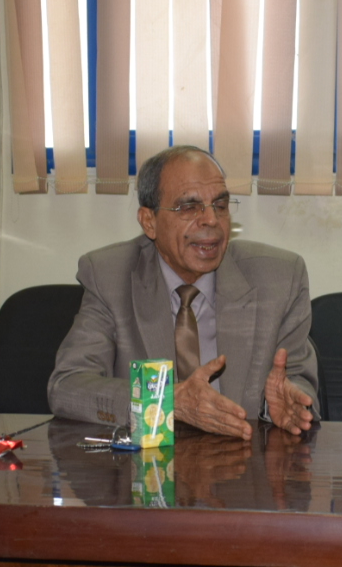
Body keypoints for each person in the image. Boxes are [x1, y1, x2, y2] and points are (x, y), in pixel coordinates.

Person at [48, 145, 317, 439]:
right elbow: (67, 386)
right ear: (149, 222)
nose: (211, 220)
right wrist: (167, 401)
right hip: (146, 464)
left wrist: (280, 405)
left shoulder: (279, 280)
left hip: (244, 461)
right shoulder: (110, 276)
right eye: (189, 208)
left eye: (220, 205)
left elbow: (297, 381)